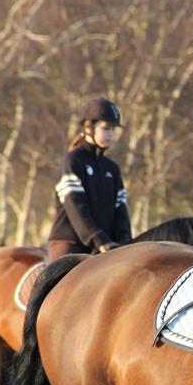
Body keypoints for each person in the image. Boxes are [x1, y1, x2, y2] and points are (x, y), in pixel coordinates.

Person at [46, 96, 132, 263]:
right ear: (88, 127)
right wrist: (99, 239)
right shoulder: (72, 161)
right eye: (106, 128)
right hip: (71, 244)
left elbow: (121, 212)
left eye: (113, 129)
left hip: (106, 247)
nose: (111, 134)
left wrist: (125, 243)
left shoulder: (112, 169)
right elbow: (76, 207)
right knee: (57, 285)